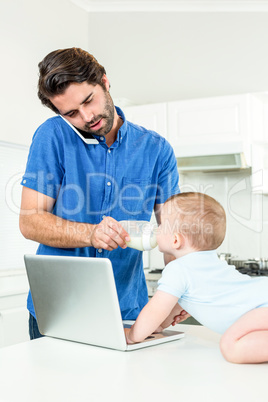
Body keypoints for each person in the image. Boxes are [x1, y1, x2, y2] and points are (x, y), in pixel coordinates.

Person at [19, 47, 180, 339]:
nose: (86, 117)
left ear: (104, 82)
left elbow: (174, 235)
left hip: (128, 312)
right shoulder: (52, 136)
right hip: (57, 311)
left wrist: (181, 290)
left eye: (88, 100)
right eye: (71, 113)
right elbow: (30, 222)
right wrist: (91, 234)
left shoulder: (156, 149)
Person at [124, 192, 268, 364]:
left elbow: (155, 310)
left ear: (176, 240)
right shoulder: (209, 262)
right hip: (262, 300)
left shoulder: (178, 269)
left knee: (231, 346)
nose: (156, 229)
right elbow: (170, 310)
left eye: (161, 225)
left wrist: (133, 336)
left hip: (261, 308)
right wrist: (159, 326)